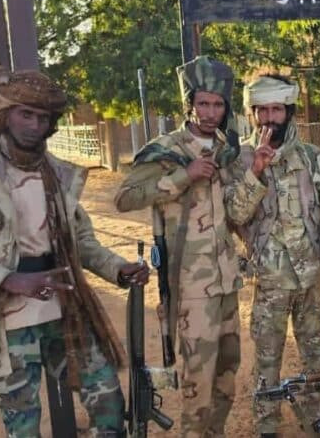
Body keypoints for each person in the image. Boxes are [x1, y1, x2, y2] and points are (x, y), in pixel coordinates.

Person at [0, 67, 149, 437]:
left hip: (64, 311)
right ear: (5, 115)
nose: (34, 125)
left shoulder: (58, 175)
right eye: (25, 114)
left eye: (43, 117)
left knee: (108, 399)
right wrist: (8, 280)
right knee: (24, 424)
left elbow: (81, 241)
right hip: (5, 324)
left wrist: (117, 268)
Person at [114, 56, 242, 438]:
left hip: (226, 281)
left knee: (227, 374)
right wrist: (183, 176)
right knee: (197, 381)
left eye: (218, 105)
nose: (211, 113)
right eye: (203, 103)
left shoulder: (227, 149)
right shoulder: (166, 149)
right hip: (190, 286)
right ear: (189, 103)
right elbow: (125, 197)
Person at [224, 73, 320, 437]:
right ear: (252, 113)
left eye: (276, 109)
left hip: (311, 277)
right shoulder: (240, 160)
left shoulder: (311, 156)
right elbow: (235, 215)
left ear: (289, 111)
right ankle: (267, 425)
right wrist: (256, 171)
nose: (269, 118)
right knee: (267, 357)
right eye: (261, 110)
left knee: (316, 356)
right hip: (269, 280)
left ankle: (316, 419)